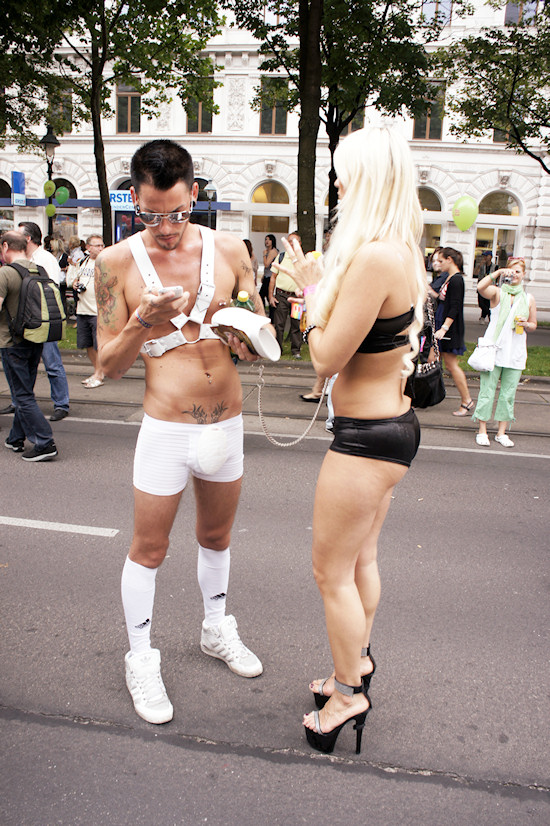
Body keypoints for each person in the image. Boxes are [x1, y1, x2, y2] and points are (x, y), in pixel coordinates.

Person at [95, 139, 268, 725]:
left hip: (228, 422)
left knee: (216, 538)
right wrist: (142, 320)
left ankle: (216, 628)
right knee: (149, 548)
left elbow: (258, 331)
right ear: (134, 202)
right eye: (149, 214)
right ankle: (141, 657)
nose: (165, 228)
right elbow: (105, 367)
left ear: (195, 194)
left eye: (176, 212)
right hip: (166, 429)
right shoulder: (116, 263)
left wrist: (249, 340)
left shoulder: (230, 250)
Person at [276, 126, 425, 754]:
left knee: (329, 572)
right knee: (359, 562)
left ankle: (346, 692)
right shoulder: (400, 249)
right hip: (389, 428)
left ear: (364, 179)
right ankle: (355, 664)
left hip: (366, 439)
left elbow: (323, 359)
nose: (337, 182)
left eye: (343, 173)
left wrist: (308, 290)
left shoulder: (374, 258)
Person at [0, 231, 58, 461]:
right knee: (25, 391)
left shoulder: (6, 273)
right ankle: (15, 438)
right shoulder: (38, 270)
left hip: (11, 342)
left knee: (22, 395)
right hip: (35, 339)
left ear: (5, 246)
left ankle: (45, 442)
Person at [473, 257, 537, 448]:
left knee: (508, 394)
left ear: (524, 275)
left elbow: (533, 324)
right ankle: (482, 430)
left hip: (515, 351)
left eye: (518, 272)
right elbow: (481, 288)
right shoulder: (498, 293)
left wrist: (527, 324)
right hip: (494, 350)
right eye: (511, 271)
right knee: (487, 391)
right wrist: (498, 273)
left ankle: (501, 432)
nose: (514, 274)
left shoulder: (528, 298)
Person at [18, 222, 70, 421]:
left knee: (52, 363)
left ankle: (61, 404)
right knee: (26, 364)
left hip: (44, 320)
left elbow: (51, 289)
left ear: (28, 238)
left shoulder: (45, 259)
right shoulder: (27, 257)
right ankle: (21, 403)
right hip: (29, 319)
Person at [433, 247, 474, 416]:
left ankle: (467, 401)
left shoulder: (456, 280)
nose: (438, 264)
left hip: (448, 327)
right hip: (443, 324)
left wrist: (444, 328)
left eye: (441, 261)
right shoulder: (450, 278)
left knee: (450, 364)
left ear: (450, 260)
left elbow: (455, 306)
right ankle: (426, 396)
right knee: (434, 360)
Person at [72, 235, 106, 388]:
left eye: (102, 245)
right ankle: (96, 371)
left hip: (98, 310)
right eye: (97, 245)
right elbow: (74, 278)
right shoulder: (83, 262)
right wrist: (74, 283)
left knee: (99, 344)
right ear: (88, 247)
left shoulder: (106, 262)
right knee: (88, 344)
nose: (100, 248)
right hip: (83, 308)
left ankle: (100, 374)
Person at [269, 230, 303, 358]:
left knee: (296, 324)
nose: (290, 244)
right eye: (288, 241)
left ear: (299, 243)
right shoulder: (281, 256)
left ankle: (296, 351)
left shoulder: (302, 259)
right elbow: (273, 277)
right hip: (281, 296)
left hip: (297, 297)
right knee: (279, 324)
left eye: (293, 241)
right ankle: (277, 350)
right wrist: (271, 296)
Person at [260, 234, 278, 316]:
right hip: (267, 276)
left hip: (270, 277)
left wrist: (264, 254)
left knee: (263, 295)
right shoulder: (269, 251)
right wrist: (263, 275)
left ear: (272, 241)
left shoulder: (273, 251)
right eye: (265, 239)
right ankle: (271, 314)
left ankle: (265, 313)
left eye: (268, 240)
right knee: (266, 296)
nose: (266, 241)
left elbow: (267, 264)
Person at [473, 250, 493, 322]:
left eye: (486, 256)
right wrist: (479, 266)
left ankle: (483, 317)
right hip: (481, 286)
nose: (484, 258)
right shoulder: (482, 266)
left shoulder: (495, 266)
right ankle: (490, 314)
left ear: (490, 257)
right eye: (484, 256)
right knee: (481, 303)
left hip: (490, 287)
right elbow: (475, 273)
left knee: (487, 303)